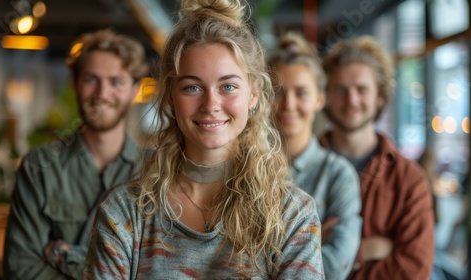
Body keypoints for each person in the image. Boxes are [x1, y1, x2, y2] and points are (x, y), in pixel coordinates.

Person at [84, 0, 324, 279]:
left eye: (228, 86)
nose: (211, 104)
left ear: (254, 94)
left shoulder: (292, 215)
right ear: (171, 96)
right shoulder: (124, 213)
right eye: (193, 87)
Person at [3, 29, 150, 279]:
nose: (102, 93)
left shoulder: (155, 171)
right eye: (91, 79)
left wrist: (67, 260)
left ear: (135, 89)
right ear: (75, 83)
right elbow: (21, 270)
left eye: (116, 81)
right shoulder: (39, 167)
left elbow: (156, 270)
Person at [319, 35, 435, 280]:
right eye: (341, 90)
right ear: (325, 96)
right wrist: (367, 250)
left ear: (379, 96)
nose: (351, 100)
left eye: (361, 89)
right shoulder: (298, 165)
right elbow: (279, 259)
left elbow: (414, 271)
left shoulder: (408, 179)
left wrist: (334, 253)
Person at [268, 32, 362, 280]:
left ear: (319, 99)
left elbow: (334, 268)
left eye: (301, 93)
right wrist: (308, 244)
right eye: (278, 92)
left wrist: (261, 250)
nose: (288, 104)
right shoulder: (241, 167)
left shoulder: (338, 176)